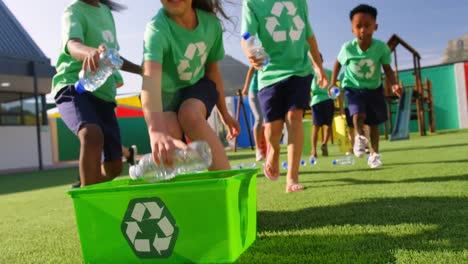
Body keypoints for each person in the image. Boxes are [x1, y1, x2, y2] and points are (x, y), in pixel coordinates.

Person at [140, 0, 240, 171]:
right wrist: (156, 131)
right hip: (165, 97)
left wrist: (225, 114)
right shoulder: (157, 29)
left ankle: (227, 183)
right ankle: (178, 192)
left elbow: (213, 72)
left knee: (190, 114)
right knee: (168, 132)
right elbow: (150, 79)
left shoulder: (210, 25)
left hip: (197, 86)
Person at [52, 0, 142, 187]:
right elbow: (72, 44)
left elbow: (112, 56)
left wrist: (141, 70)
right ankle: (88, 202)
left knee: (114, 168)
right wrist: (90, 52)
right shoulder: (73, 11)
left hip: (104, 96)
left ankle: (85, 184)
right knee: (91, 134)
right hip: (74, 87)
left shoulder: (106, 13)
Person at [241, 0, 328, 193]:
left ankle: (292, 177)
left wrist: (319, 67)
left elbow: (309, 36)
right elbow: (247, 35)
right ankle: (273, 150)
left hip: (299, 70)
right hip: (269, 73)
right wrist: (250, 51)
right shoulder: (252, 3)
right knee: (273, 128)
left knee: (294, 118)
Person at [328, 4, 402, 168]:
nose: (363, 30)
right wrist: (333, 82)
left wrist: (395, 84)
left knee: (374, 123)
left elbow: (387, 69)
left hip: (374, 89)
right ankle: (360, 137)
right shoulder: (348, 48)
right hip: (353, 88)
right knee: (357, 113)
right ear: (352, 30)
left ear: (375, 27)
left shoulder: (381, 48)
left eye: (367, 26)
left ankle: (374, 155)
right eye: (358, 26)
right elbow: (337, 64)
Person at [309, 55, 333, 159]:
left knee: (324, 126)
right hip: (319, 101)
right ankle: (316, 149)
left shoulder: (328, 72)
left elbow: (333, 86)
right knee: (320, 126)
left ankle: (321, 146)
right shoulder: (310, 73)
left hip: (325, 100)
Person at [241, 66, 265, 161]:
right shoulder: (260, 54)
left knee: (269, 121)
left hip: (267, 90)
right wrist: (246, 87)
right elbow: (251, 69)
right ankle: (258, 150)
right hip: (254, 91)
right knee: (259, 118)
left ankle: (269, 150)